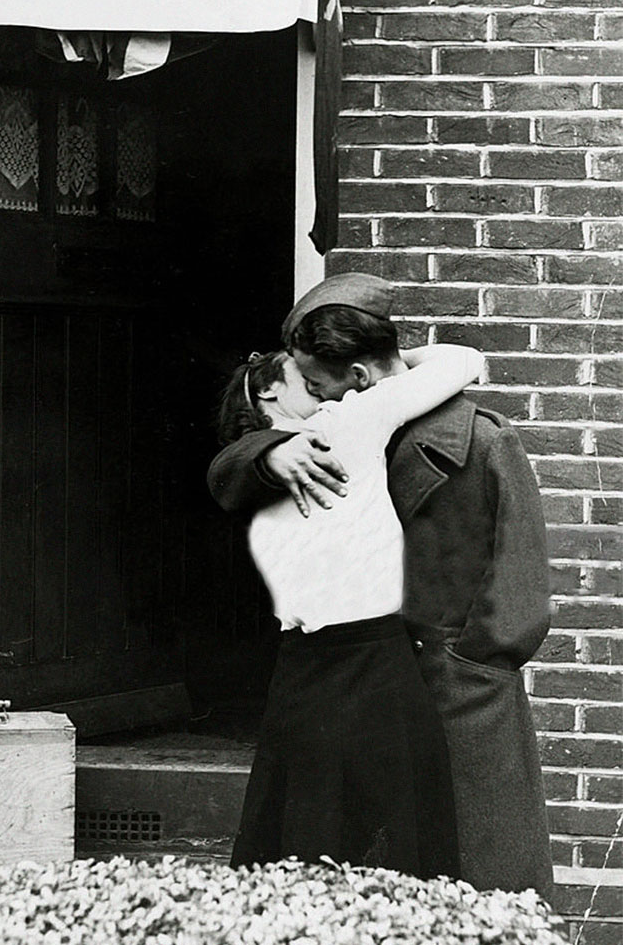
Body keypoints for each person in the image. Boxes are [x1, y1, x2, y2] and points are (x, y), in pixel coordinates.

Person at [209, 272, 554, 900]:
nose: (310, 397)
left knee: (483, 887)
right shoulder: (324, 434)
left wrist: (475, 663)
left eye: (315, 384)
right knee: (367, 883)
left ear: (359, 379)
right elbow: (237, 451)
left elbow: (521, 583)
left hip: (459, 691)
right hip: (371, 683)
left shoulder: (477, 439)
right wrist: (267, 452)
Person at [218, 330, 485, 879]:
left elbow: (227, 468)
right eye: (307, 377)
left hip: (322, 665)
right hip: (357, 661)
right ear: (268, 394)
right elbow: (463, 360)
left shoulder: (264, 462)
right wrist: (385, 362)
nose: (327, 385)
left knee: (305, 838)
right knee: (387, 841)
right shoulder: (346, 424)